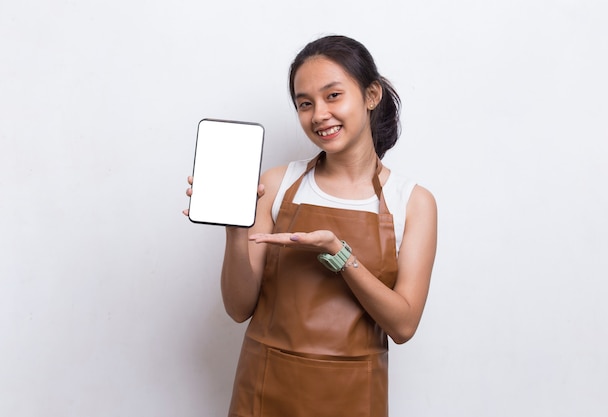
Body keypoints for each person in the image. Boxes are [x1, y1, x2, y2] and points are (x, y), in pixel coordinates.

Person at [184, 35, 437, 417]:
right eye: (305, 103)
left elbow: (402, 326)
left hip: (354, 399)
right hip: (264, 391)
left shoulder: (413, 202)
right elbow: (239, 308)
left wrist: (338, 253)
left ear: (371, 95)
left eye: (333, 95)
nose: (318, 114)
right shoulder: (277, 185)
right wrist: (235, 230)